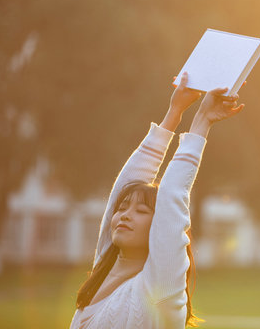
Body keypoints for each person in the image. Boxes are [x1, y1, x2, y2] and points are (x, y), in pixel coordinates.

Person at [69, 71, 245, 329]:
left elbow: (172, 195)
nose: (125, 215)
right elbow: (125, 186)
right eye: (123, 208)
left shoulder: (160, 288)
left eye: (142, 211)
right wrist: (174, 112)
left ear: (159, 228)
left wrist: (202, 121)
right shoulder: (103, 270)